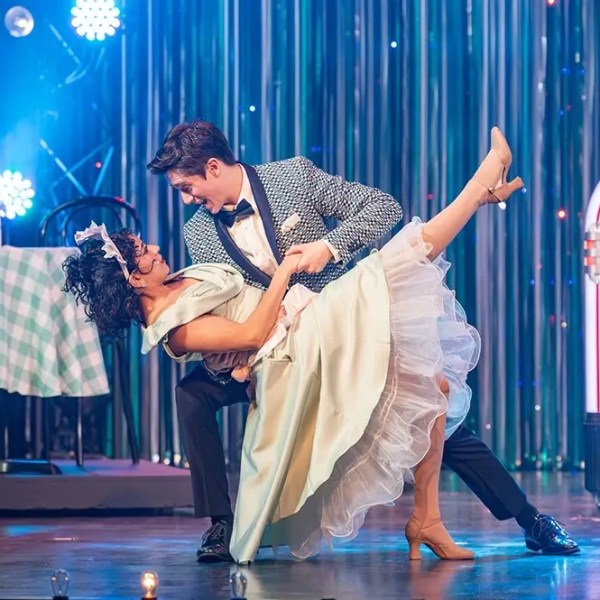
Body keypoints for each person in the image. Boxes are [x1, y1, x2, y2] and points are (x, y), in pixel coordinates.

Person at [143, 121, 579, 561]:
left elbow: (383, 208)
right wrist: (243, 360)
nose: (186, 199)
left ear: (214, 167)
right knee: (192, 392)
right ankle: (221, 524)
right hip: (272, 348)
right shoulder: (198, 231)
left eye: (186, 186)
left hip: (344, 327)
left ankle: (528, 518)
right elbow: (231, 303)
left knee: (430, 403)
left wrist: (328, 247)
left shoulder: (291, 176)